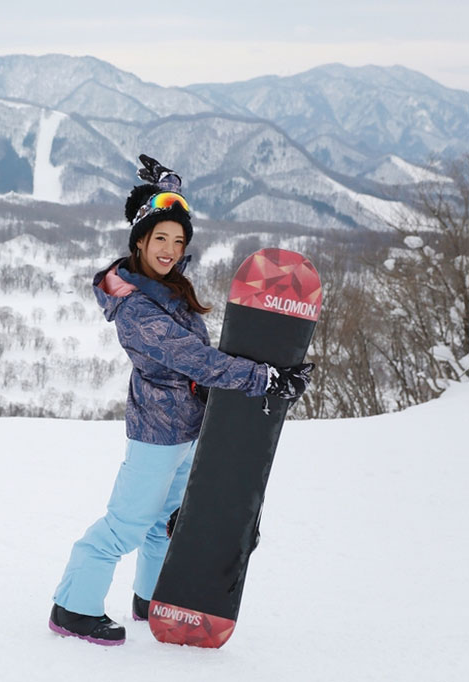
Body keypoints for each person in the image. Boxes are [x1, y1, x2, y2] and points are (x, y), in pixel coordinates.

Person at [48, 154, 313, 646]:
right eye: (159, 238)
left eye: (178, 239)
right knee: (124, 526)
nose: (170, 249)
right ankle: (72, 608)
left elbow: (199, 363)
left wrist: (166, 185)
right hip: (157, 434)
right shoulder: (135, 309)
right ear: (140, 242)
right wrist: (263, 379)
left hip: (187, 430)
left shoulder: (165, 288)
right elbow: (196, 360)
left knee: (163, 526)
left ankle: (151, 600)